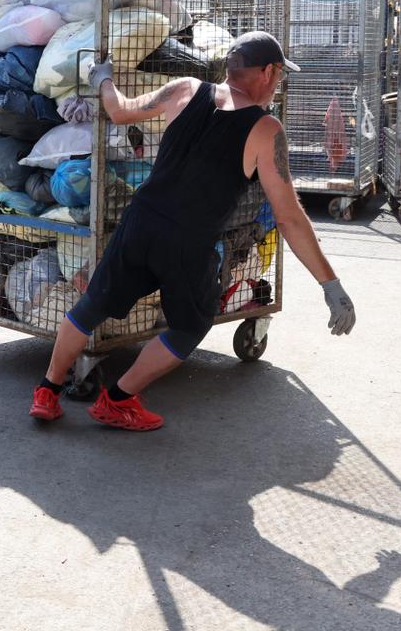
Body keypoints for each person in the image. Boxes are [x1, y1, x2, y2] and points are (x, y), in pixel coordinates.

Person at [29, 31, 355, 430]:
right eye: (280, 76)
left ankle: (46, 391)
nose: (278, 84)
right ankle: (118, 400)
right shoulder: (266, 130)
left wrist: (103, 80)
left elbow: (121, 112)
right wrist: (330, 285)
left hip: (140, 220)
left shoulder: (185, 89)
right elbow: (288, 217)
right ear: (268, 72)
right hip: (188, 240)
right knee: (189, 327)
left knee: (92, 305)